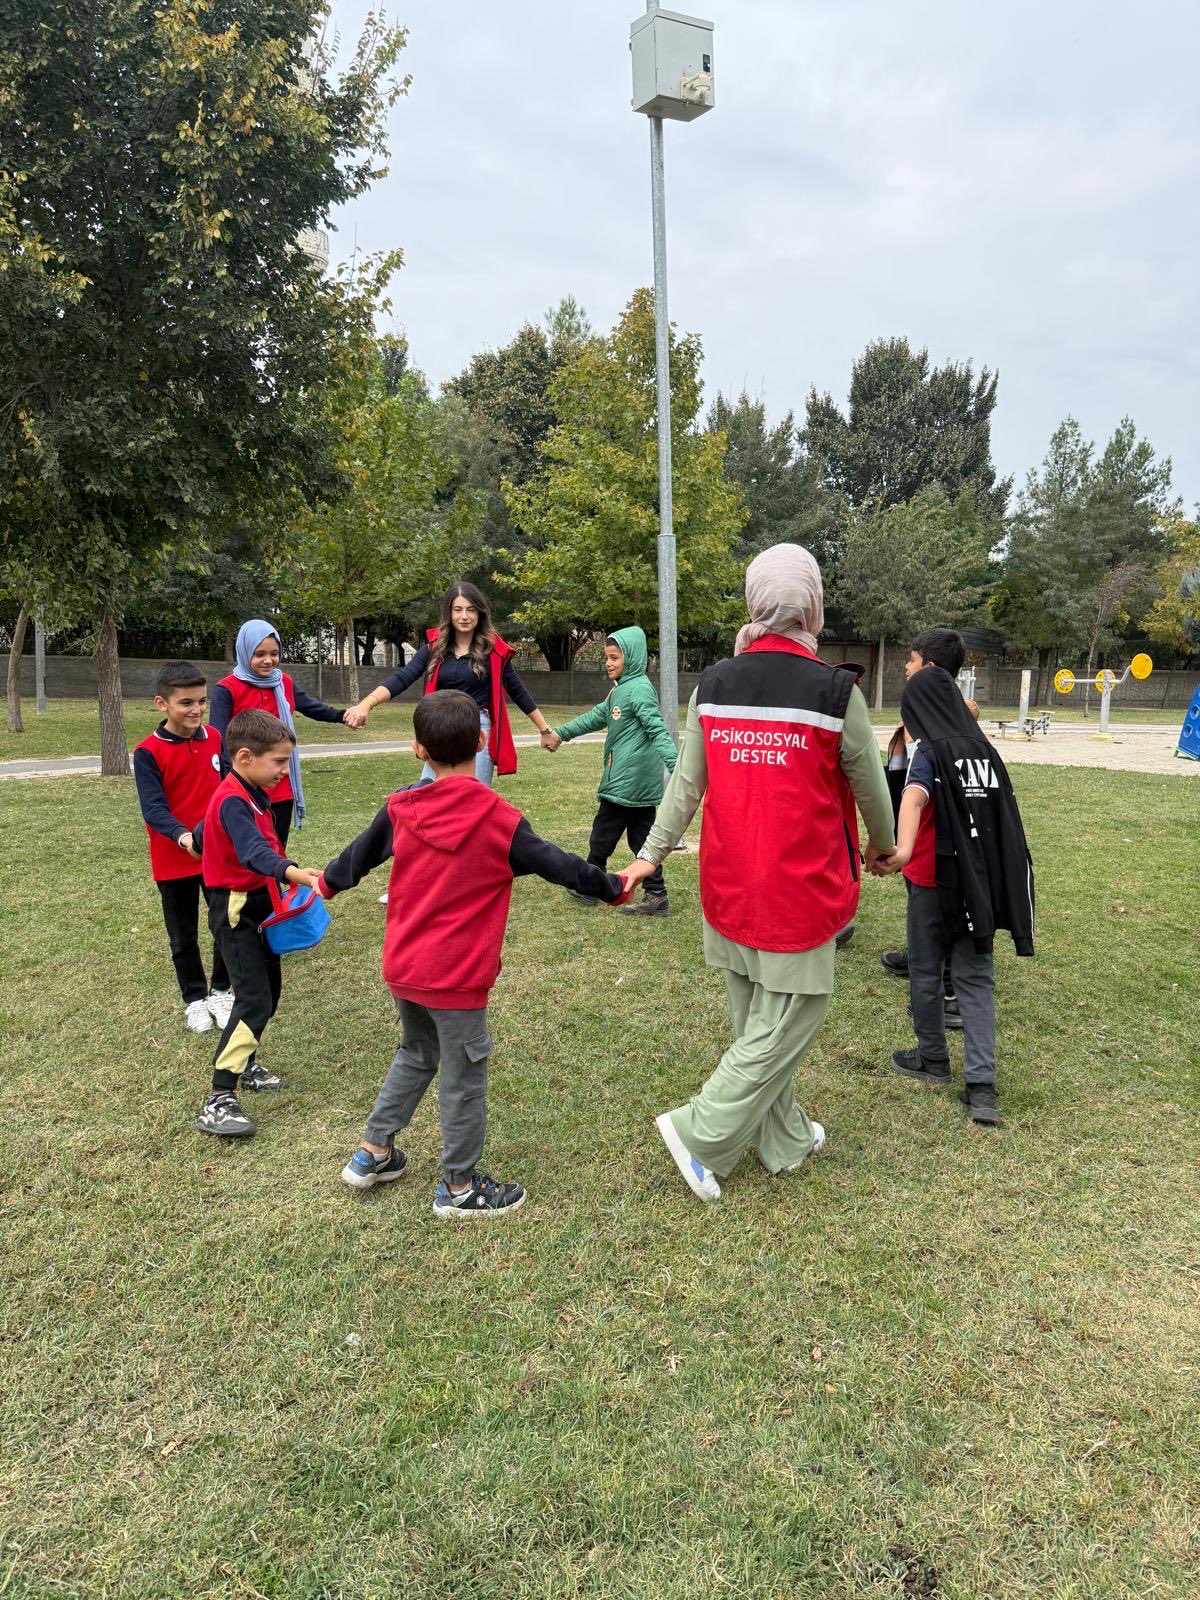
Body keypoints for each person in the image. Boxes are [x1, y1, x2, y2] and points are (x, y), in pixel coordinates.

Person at [620, 544, 896, 1202]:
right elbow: (872, 787)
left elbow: (685, 786)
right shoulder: (837, 692)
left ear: (756, 601)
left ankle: (785, 1138)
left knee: (756, 1023)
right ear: (812, 604)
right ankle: (699, 1133)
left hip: (728, 881)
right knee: (791, 1017)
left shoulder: (713, 686)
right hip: (798, 888)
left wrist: (650, 854)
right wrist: (884, 847)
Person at [318, 690, 631, 1217]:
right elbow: (564, 866)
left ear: (418, 750)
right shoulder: (499, 820)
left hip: (404, 967)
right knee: (463, 1076)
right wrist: (615, 886)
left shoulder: (400, 808)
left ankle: (373, 1152)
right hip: (456, 977)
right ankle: (459, 1188)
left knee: (416, 1052)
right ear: (482, 741)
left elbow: (356, 858)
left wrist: (325, 884)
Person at [873, 667, 1034, 1126]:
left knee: (926, 971)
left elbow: (912, 797)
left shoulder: (931, 751)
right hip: (979, 885)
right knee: (976, 979)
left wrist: (902, 849)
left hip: (931, 880)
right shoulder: (986, 752)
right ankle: (982, 1087)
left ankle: (932, 1059)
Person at [194, 710, 323, 1139]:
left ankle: (246, 1063)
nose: (285, 771)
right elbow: (253, 851)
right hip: (235, 910)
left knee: (269, 993)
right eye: (279, 762)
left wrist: (200, 840)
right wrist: (293, 872)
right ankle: (219, 1097)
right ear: (246, 757)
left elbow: (210, 833)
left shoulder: (251, 794)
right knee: (253, 999)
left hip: (261, 904)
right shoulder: (232, 799)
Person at [346, 582, 556, 783]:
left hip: (475, 728)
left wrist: (545, 731)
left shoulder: (493, 652)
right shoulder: (434, 648)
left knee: (471, 798)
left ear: (480, 613)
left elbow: (518, 691)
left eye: (471, 610)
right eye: (458, 610)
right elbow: (402, 678)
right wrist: (367, 704)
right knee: (432, 795)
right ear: (449, 613)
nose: (464, 616)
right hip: (439, 728)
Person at [879, 627, 978, 1034]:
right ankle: (922, 955)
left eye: (913, 659)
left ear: (931, 667)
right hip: (920, 836)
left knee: (946, 909)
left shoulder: (952, 714)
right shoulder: (923, 710)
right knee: (923, 906)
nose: (906, 666)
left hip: (943, 840)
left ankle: (950, 992)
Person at [547, 626, 678, 917]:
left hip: (626, 783)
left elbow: (657, 730)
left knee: (601, 837)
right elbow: (596, 717)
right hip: (637, 785)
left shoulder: (638, 689)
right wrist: (559, 734)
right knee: (642, 840)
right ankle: (656, 895)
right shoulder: (622, 689)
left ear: (631, 658)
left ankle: (590, 888)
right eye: (607, 657)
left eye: (614, 658)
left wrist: (679, 770)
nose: (608, 663)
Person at [132, 661, 232, 1035]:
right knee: (182, 934)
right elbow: (154, 809)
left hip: (217, 855)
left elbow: (230, 788)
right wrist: (185, 837)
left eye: (202, 701)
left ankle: (221, 991)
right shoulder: (147, 752)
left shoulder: (216, 739)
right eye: (186, 702)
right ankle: (194, 998)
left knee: (225, 925)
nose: (196, 709)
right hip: (174, 859)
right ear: (162, 704)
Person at [210, 620, 359, 849]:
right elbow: (218, 740)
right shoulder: (227, 689)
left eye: (274, 653)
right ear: (245, 652)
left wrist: (342, 716)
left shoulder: (283, 682)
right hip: (244, 784)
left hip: (280, 782)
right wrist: (230, 784)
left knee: (277, 847)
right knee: (246, 849)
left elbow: (310, 706)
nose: (268, 660)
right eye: (259, 654)